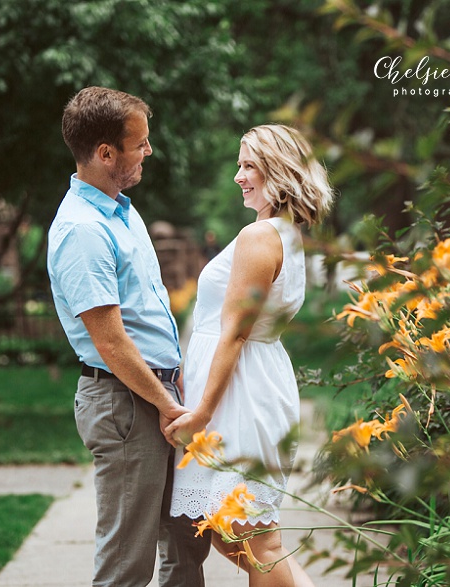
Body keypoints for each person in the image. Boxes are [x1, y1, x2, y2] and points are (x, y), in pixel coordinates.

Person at [47, 86, 210, 587]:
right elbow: (110, 343)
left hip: (160, 395)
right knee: (127, 564)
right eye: (140, 143)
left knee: (188, 546)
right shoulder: (83, 231)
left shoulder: (123, 211)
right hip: (127, 405)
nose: (148, 151)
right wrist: (167, 405)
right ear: (105, 153)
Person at [167, 124, 334, 586]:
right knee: (233, 533)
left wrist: (201, 411)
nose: (238, 176)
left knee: (257, 540)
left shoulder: (260, 238)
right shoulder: (278, 232)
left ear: (277, 171)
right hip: (244, 389)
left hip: (241, 398)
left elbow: (234, 335)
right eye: (239, 165)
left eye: (248, 165)